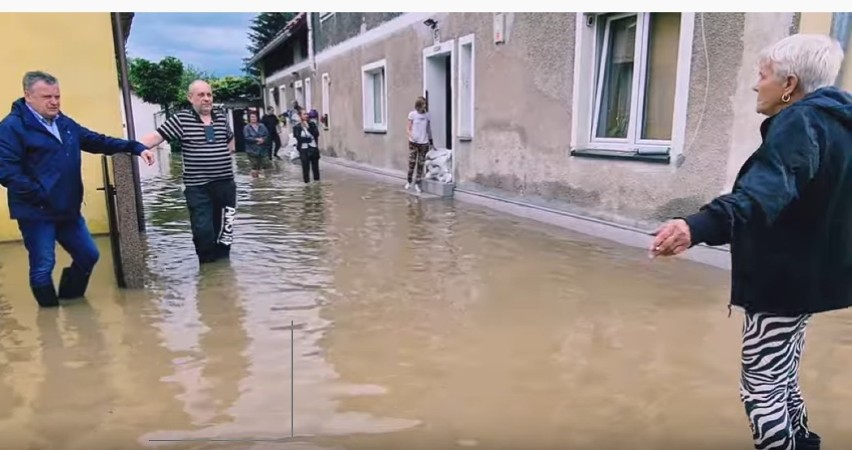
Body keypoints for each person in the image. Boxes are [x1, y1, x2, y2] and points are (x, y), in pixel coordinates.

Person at [651, 34, 850, 450]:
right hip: (810, 281)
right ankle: (803, 442)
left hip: (780, 282)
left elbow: (763, 194)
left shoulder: (800, 123)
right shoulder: (838, 125)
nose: (755, 85)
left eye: (762, 76)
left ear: (789, 84)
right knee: (783, 374)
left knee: (761, 386)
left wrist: (696, 227)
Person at [0, 71, 156, 308]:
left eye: (57, 96)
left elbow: (97, 141)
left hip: (68, 209)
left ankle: (71, 301)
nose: (54, 102)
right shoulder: (11, 128)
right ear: (28, 96)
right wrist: (41, 195)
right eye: (47, 97)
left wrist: (135, 147)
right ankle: (51, 324)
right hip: (36, 212)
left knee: (88, 255)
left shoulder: (64, 123)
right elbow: (7, 172)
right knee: (43, 266)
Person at [139, 80, 236, 264]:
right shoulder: (182, 119)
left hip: (225, 185)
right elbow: (155, 137)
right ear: (190, 98)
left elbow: (230, 142)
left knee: (226, 233)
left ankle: (223, 276)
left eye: (209, 94)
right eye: (201, 95)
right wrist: (133, 147)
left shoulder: (221, 117)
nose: (206, 99)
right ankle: (207, 272)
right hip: (198, 187)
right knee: (203, 231)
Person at [406, 96, 432, 193]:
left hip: (423, 143)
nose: (424, 107)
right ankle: (409, 181)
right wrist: (411, 136)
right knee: (412, 162)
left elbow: (428, 129)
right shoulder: (412, 115)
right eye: (423, 105)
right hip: (414, 142)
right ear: (418, 106)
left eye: (425, 105)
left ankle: (417, 183)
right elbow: (408, 128)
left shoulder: (427, 115)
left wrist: (431, 141)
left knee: (421, 164)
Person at [293, 108, 320, 183]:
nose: (306, 115)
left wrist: (308, 128)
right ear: (300, 116)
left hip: (313, 148)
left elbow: (316, 134)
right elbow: (298, 138)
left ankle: (316, 184)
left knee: (315, 169)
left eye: (307, 114)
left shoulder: (312, 124)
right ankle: (307, 184)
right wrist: (308, 139)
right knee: (305, 169)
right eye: (304, 114)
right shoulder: (297, 127)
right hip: (303, 149)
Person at [243, 112, 271, 178]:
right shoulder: (246, 127)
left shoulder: (262, 126)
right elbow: (246, 138)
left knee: (266, 164)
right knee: (254, 166)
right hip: (252, 150)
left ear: (257, 118)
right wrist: (256, 140)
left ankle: (264, 180)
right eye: (252, 117)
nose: (253, 118)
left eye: (254, 117)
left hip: (262, 149)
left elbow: (267, 135)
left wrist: (263, 140)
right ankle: (255, 180)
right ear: (249, 118)